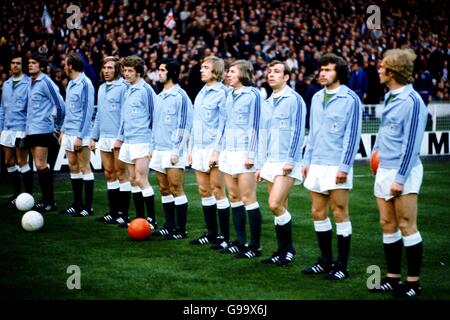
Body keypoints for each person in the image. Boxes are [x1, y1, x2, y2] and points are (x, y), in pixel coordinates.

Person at [369, 48, 427, 298]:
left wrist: (400, 178)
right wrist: (375, 156)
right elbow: (384, 134)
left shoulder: (413, 101)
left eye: (382, 66)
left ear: (392, 71)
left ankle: (413, 282)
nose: (379, 70)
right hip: (384, 169)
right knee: (387, 223)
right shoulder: (390, 96)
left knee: (406, 224)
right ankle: (393, 278)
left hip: (404, 171)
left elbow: (412, 144)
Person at [301, 53, 362, 280]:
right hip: (316, 163)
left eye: (328, 70)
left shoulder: (351, 99)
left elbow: (352, 135)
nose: (322, 73)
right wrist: (307, 161)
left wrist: (344, 166)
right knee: (317, 212)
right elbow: (313, 132)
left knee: (339, 213)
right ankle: (326, 261)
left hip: (337, 164)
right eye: (321, 69)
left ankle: (342, 266)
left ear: (339, 73)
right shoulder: (316, 97)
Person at [256, 60, 306, 266]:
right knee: (280, 207)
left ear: (286, 77)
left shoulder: (295, 100)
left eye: (277, 72)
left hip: (287, 161)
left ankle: (289, 249)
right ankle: (281, 251)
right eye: (269, 71)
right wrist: (260, 165)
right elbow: (263, 136)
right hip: (270, 161)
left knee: (275, 204)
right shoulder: (266, 103)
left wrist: (291, 160)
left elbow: (298, 131)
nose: (271, 74)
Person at [217, 60, 263, 259]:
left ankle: (255, 246)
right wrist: (218, 151)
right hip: (228, 153)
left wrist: (252, 155)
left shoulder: (253, 95)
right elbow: (223, 125)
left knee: (247, 199)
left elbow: (256, 126)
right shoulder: (228, 95)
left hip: (245, 153)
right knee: (234, 198)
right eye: (227, 71)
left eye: (232, 71)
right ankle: (240, 241)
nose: (227, 74)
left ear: (243, 73)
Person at [187, 56, 230, 249]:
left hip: (215, 149)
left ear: (216, 71)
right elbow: (196, 123)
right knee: (204, 191)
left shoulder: (223, 93)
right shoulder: (201, 92)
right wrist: (190, 149)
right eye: (201, 67)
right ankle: (212, 234)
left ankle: (225, 236)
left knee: (218, 190)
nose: (201, 70)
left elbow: (224, 125)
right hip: (199, 148)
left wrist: (217, 151)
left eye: (206, 68)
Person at [150, 58, 193, 240]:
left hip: (173, 150)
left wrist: (176, 150)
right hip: (159, 149)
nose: (159, 73)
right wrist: (152, 147)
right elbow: (154, 124)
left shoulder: (181, 96)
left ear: (172, 73)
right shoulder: (159, 96)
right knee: (164, 188)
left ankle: (181, 230)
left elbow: (185, 125)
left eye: (162, 70)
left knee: (176, 188)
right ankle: (169, 225)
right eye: (158, 69)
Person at [116, 55, 157, 228]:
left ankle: (152, 220)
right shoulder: (126, 89)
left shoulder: (146, 90)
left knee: (141, 179)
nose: (126, 74)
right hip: (129, 141)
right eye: (125, 70)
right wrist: (120, 137)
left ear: (138, 72)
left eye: (130, 71)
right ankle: (140, 218)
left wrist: (152, 144)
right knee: (133, 180)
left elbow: (155, 116)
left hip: (143, 141)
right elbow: (124, 118)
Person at [90, 56, 131, 224]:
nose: (106, 71)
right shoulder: (100, 88)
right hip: (104, 137)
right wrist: (93, 136)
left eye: (110, 68)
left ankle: (124, 214)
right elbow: (98, 114)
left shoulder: (123, 87)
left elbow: (125, 115)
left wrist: (120, 138)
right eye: (105, 68)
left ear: (117, 70)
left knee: (122, 174)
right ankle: (113, 212)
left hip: (118, 138)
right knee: (109, 174)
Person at [25, 53, 65, 213]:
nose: (30, 65)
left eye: (33, 63)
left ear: (41, 66)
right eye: (29, 63)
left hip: (43, 129)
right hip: (31, 130)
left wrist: (58, 125)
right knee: (38, 166)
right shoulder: (29, 81)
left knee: (41, 165)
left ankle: (50, 201)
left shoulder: (46, 82)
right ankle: (45, 200)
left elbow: (60, 104)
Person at [59, 53, 95, 217]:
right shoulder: (71, 83)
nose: (64, 67)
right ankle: (77, 204)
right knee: (73, 167)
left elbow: (87, 112)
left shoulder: (86, 84)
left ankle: (88, 207)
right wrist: (63, 130)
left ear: (71, 66)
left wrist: (80, 136)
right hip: (69, 132)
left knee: (84, 167)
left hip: (81, 134)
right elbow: (69, 110)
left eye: (65, 64)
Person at [0, 56, 33, 205]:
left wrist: (27, 129)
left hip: (21, 129)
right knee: (8, 162)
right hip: (6, 129)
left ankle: (28, 196)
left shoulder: (28, 83)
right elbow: (2, 108)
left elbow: (31, 109)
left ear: (22, 66)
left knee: (22, 161)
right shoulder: (6, 84)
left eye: (18, 63)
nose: (15, 66)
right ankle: (16, 194)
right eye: (12, 63)